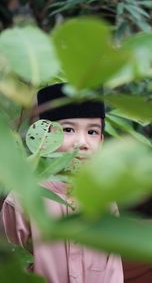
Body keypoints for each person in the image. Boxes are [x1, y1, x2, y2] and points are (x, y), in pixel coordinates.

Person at [1, 83, 124, 283]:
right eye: (68, 129)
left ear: (101, 141)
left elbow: (113, 265)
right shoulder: (23, 199)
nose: (82, 142)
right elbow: (10, 264)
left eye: (92, 132)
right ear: (45, 137)